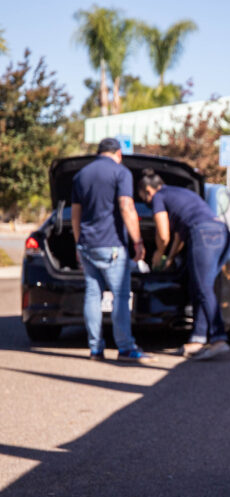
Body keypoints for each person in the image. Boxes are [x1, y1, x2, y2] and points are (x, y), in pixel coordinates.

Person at [70, 138, 155, 363]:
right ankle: (125, 347)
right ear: (118, 153)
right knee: (119, 296)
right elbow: (126, 207)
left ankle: (95, 349)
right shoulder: (121, 172)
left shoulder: (81, 175)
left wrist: (79, 243)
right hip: (112, 245)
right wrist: (137, 241)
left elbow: (75, 214)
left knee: (92, 294)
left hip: (87, 244)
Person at [137, 169, 230, 361]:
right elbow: (179, 235)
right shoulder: (180, 193)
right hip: (221, 233)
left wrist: (159, 253)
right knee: (199, 286)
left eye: (143, 198)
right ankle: (197, 340)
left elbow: (163, 234)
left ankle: (218, 338)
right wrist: (171, 257)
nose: (147, 203)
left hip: (203, 233)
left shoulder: (158, 197)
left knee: (203, 288)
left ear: (148, 190)